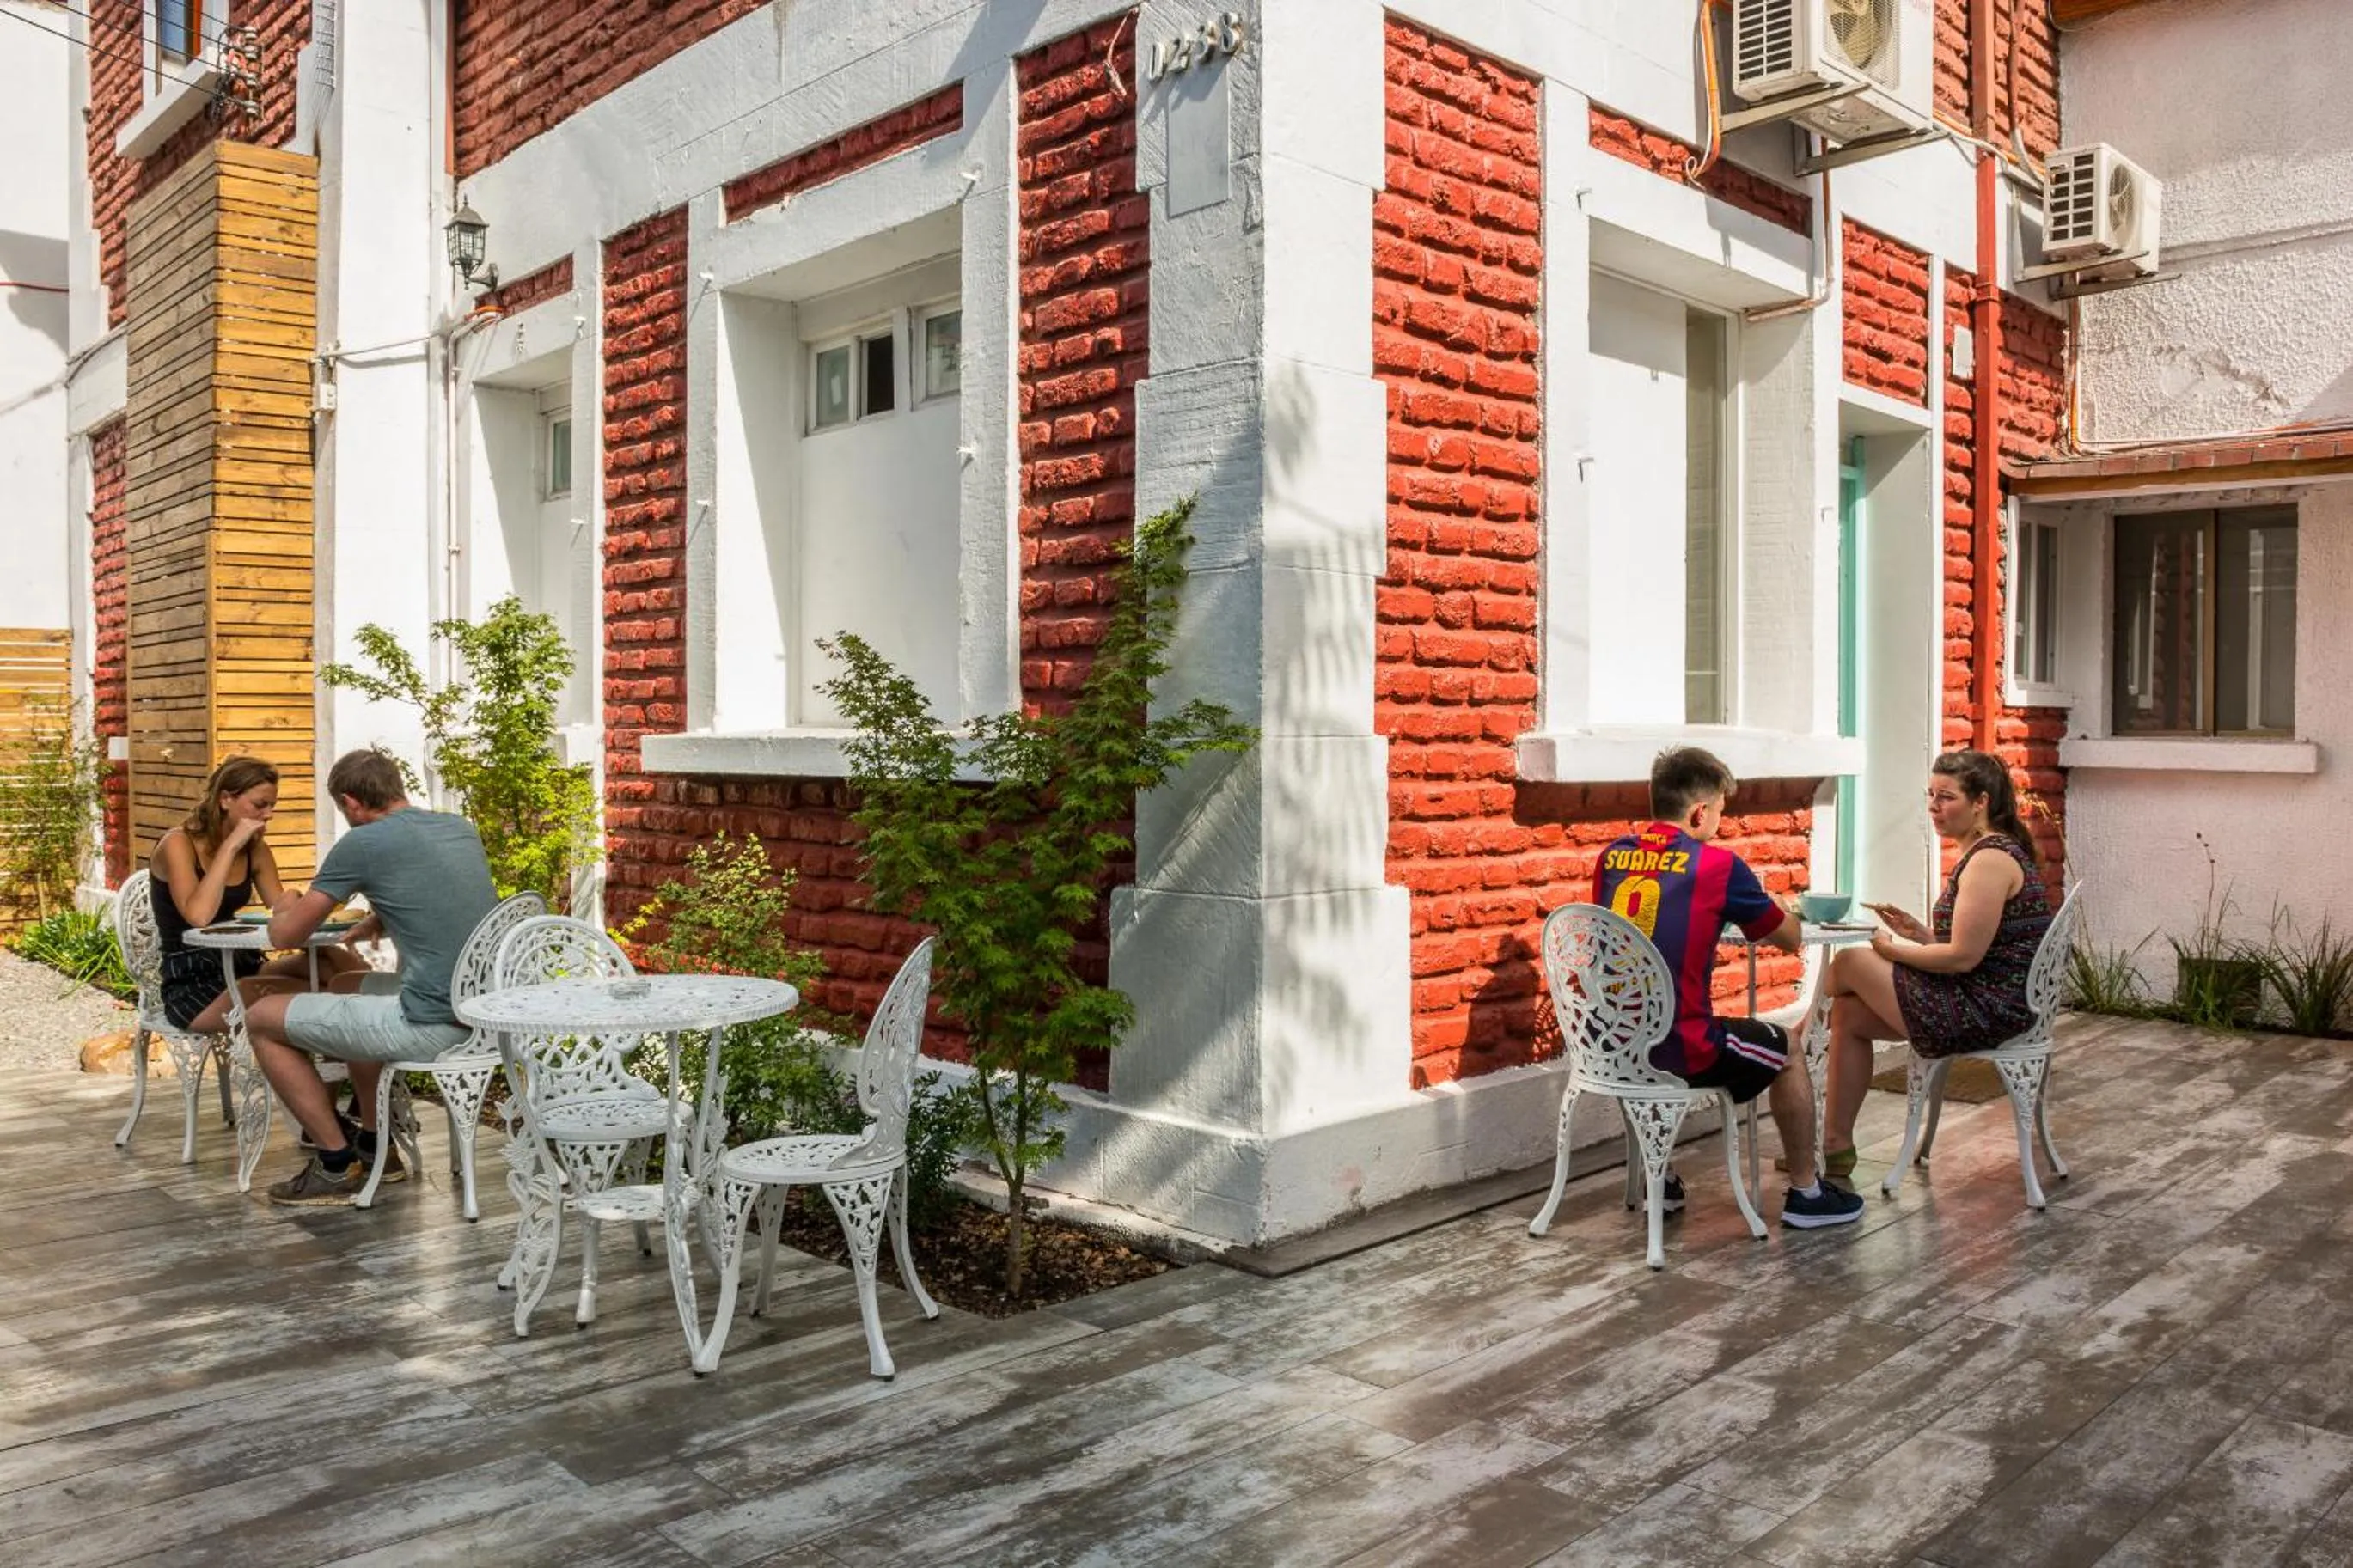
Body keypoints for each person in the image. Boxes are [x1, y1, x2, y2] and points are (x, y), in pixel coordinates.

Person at [1589, 747, 1865, 1229]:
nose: (1719, 822)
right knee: (1789, 1049)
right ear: (1699, 811)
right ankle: (1807, 1193)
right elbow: (1789, 937)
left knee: (1650, 1026)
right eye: (1719, 811)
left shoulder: (1612, 857)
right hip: (1684, 1047)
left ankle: (1664, 1181)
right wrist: (1769, 901)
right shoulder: (1716, 867)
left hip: (1613, 1042)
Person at [245, 748, 501, 1206]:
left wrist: (286, 901)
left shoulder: (362, 843)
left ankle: (335, 1163)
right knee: (346, 985)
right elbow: (439, 895)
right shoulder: (458, 827)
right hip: (484, 1015)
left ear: (351, 802)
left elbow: (287, 934)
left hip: (433, 1025)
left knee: (262, 1017)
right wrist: (381, 916)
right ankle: (373, 1140)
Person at [1817, 748, 2054, 1181]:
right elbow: (1976, 946)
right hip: (1988, 998)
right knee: (1848, 1015)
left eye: (1946, 797)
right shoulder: (1990, 852)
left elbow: (1964, 957)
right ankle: (1835, 1148)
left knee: (1852, 959)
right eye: (1931, 795)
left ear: (1980, 802)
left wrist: (1891, 950)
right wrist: (1919, 935)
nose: (1933, 806)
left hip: (1986, 1011)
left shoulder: (1989, 861)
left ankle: (1794, 1043)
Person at [150, 756, 369, 1037]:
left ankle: (348, 1063)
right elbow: (199, 916)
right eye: (260, 805)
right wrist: (230, 847)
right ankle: (330, 1063)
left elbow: (280, 910)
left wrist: (294, 904)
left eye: (272, 806)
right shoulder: (178, 844)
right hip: (193, 981)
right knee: (325, 994)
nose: (268, 815)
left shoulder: (256, 850)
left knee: (339, 969)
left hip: (245, 964)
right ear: (226, 799)